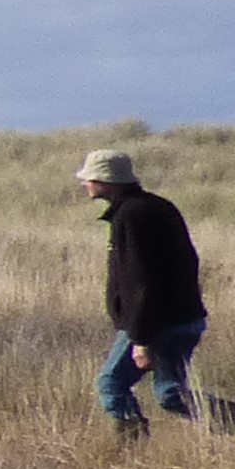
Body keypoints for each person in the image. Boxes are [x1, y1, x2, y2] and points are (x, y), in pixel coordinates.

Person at [77, 147, 204, 442]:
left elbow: (141, 282)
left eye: (89, 178)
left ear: (105, 181)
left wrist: (142, 339)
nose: (84, 183)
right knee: (171, 395)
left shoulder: (131, 216)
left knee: (111, 383)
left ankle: (131, 450)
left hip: (158, 323)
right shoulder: (154, 206)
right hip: (181, 317)